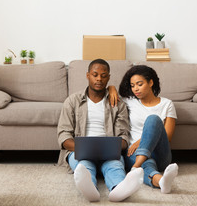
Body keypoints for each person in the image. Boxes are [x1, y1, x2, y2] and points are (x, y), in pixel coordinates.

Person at [57, 59, 144, 202]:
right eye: (95, 74)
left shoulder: (118, 104)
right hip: (79, 151)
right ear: (88, 75)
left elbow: (123, 135)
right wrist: (85, 148)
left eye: (103, 76)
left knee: (115, 165)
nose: (99, 79)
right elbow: (63, 135)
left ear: (108, 78)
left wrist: (112, 148)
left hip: (108, 152)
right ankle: (90, 189)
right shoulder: (72, 101)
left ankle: (118, 188)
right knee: (84, 166)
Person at [109, 65, 178, 194]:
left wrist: (140, 142)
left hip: (160, 154)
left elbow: (167, 136)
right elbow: (109, 94)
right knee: (146, 164)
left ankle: (134, 168)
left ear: (151, 82)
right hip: (133, 153)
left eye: (139, 84)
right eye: (132, 85)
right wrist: (111, 88)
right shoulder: (129, 101)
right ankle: (160, 181)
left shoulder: (167, 104)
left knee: (153, 119)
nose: (135, 89)